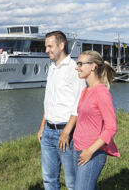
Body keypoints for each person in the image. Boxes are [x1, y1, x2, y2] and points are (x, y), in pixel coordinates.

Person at [37, 31, 85, 190]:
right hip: (48, 133)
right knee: (49, 180)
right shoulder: (52, 68)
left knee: (72, 182)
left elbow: (79, 103)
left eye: (50, 46)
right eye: (46, 47)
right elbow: (48, 100)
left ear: (61, 45)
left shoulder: (74, 69)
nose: (46, 50)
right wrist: (42, 125)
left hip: (67, 133)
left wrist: (66, 132)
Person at [73, 51, 120, 189]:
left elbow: (111, 127)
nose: (77, 67)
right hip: (77, 149)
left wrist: (89, 151)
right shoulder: (86, 90)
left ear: (93, 66)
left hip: (92, 153)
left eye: (81, 64)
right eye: (77, 63)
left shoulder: (101, 92)